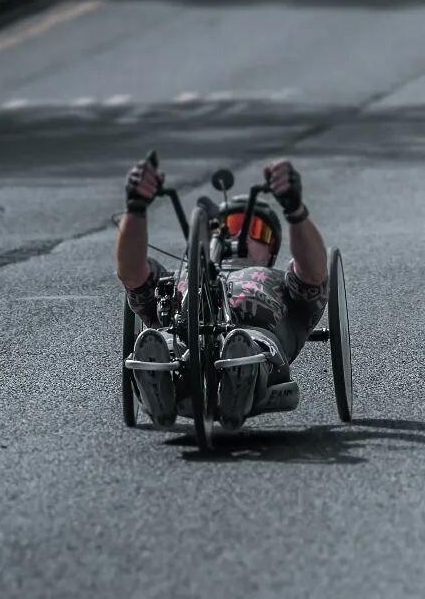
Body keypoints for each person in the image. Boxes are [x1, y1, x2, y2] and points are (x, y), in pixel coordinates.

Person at [116, 157, 328, 430]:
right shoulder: (175, 278)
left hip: (257, 339)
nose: (237, 236)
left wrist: (294, 209)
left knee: (246, 343)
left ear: (271, 250)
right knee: (163, 343)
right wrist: (135, 208)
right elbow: (131, 271)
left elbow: (314, 273)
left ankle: (240, 376)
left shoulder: (279, 282)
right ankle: (159, 380)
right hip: (181, 340)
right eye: (227, 227)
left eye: (256, 230)